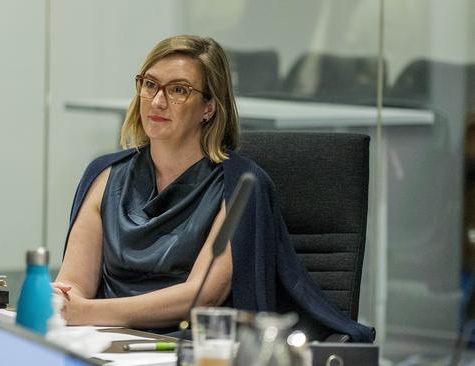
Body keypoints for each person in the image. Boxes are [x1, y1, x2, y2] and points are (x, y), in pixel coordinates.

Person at [54, 35, 374, 342]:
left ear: (208, 108)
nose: (158, 100)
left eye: (179, 90)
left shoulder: (242, 185)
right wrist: (63, 301)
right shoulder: (105, 175)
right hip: (100, 341)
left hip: (191, 345)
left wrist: (89, 312)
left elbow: (201, 295)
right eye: (150, 85)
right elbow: (73, 285)